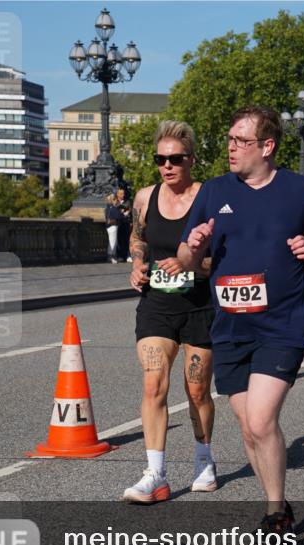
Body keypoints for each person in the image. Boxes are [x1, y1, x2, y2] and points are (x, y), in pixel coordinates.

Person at [178, 105, 304, 545]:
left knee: (260, 419)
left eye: (241, 141)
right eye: (229, 139)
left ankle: (277, 514)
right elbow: (188, 257)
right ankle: (277, 501)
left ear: (267, 146)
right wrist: (194, 248)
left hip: (282, 323)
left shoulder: (300, 190)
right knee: (247, 427)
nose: (231, 148)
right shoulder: (213, 191)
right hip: (230, 324)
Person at [124, 120, 217, 504]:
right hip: (157, 306)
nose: (167, 165)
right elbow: (137, 237)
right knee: (153, 385)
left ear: (191, 159)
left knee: (196, 390)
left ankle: (203, 459)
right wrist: (137, 263)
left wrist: (192, 265)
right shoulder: (146, 197)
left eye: (175, 158)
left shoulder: (209, 198)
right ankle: (155, 474)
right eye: (160, 159)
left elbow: (224, 258)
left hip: (200, 305)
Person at [104, 193, 125, 264]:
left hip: (110, 226)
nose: (117, 201)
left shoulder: (108, 208)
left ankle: (111, 256)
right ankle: (111, 257)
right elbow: (120, 216)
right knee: (112, 242)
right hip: (113, 226)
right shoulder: (113, 208)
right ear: (113, 200)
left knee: (112, 242)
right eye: (115, 200)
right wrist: (123, 213)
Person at [116, 187, 133, 262]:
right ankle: (120, 256)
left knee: (127, 240)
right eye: (120, 193)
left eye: (123, 193)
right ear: (117, 194)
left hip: (126, 223)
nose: (122, 195)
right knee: (119, 240)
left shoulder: (127, 202)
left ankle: (128, 255)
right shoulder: (115, 202)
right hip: (118, 224)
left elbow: (130, 211)